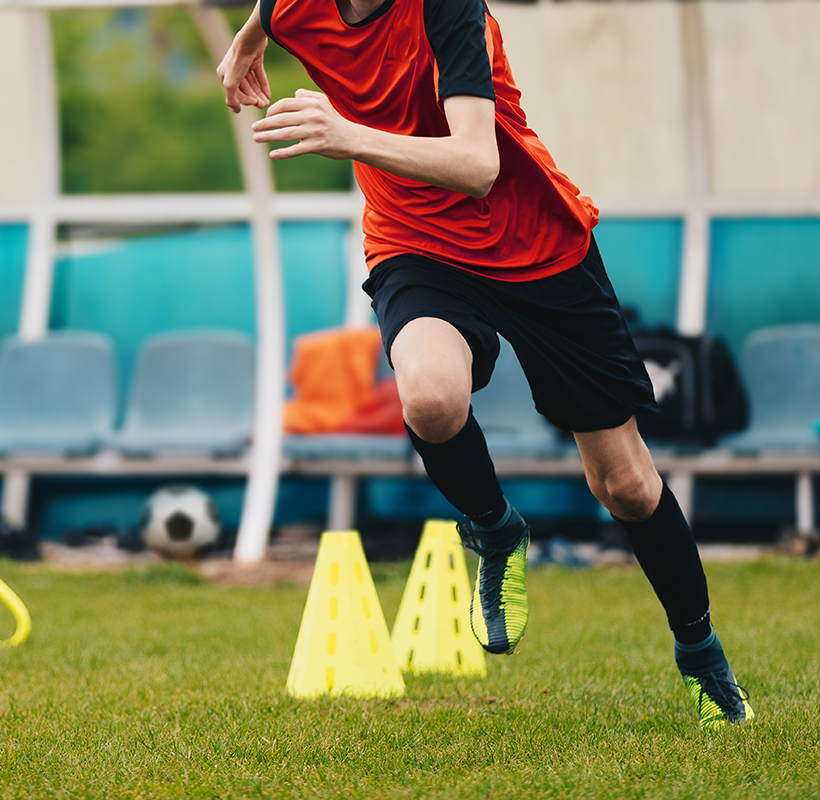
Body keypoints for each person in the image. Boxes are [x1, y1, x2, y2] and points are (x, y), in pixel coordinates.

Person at [216, 0, 753, 729]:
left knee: (624, 484)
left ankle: (700, 649)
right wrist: (249, 39)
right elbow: (274, 7)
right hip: (416, 244)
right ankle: (496, 529)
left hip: (536, 249)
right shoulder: (294, 4)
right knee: (430, 400)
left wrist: (347, 136)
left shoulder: (449, 9)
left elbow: (477, 162)